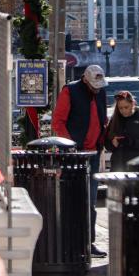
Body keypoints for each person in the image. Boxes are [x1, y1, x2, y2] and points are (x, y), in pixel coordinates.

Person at [51, 64, 108, 258]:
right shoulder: (70, 91)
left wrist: (102, 142)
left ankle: (88, 242)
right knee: (74, 200)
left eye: (99, 85)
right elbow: (58, 122)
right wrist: (70, 146)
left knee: (90, 201)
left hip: (92, 154)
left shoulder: (100, 92)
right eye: (94, 85)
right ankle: (72, 242)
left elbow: (102, 120)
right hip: (75, 155)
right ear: (85, 79)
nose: (97, 88)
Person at [103, 91, 139, 172]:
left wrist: (131, 141)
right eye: (120, 108)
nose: (123, 110)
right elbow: (107, 144)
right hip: (118, 167)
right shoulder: (115, 119)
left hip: (138, 168)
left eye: (126, 107)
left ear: (132, 104)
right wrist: (113, 143)